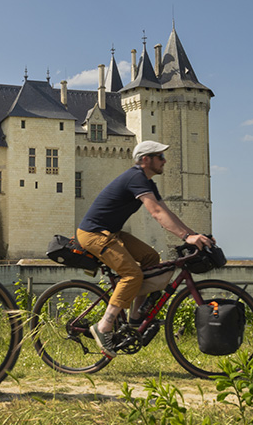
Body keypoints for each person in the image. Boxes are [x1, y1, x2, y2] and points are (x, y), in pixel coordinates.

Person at [76, 140, 215, 358]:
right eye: (160, 157)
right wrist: (187, 237)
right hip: (94, 234)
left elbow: (166, 212)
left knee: (150, 257)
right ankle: (104, 326)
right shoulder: (136, 177)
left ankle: (135, 318)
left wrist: (193, 234)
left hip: (111, 232)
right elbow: (156, 213)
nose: (164, 161)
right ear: (145, 159)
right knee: (132, 274)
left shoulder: (147, 182)